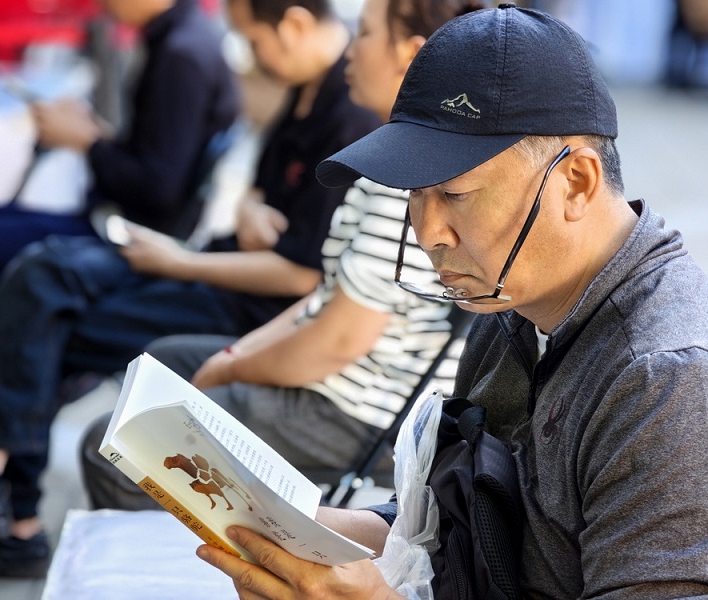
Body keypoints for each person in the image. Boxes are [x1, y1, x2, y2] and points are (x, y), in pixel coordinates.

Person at [194, 5, 708, 598]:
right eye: (415, 194)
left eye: (456, 194)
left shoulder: (666, 380)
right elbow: (458, 526)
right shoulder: (510, 306)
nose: (429, 232)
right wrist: (300, 531)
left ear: (576, 183)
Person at [0, 0, 381, 580]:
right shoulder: (305, 90)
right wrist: (247, 210)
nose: (249, 59)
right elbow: (264, 201)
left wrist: (181, 261)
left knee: (38, 296)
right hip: (209, 263)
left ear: (295, 26)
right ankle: (0, 504)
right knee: (35, 287)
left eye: (253, 42)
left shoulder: (343, 113)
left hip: (232, 294)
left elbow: (301, 272)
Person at [79, 0, 482, 512]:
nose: (348, 48)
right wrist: (233, 359)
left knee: (111, 449)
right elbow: (326, 294)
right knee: (164, 362)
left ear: (410, 54)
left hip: (355, 412)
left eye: (363, 34)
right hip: (337, 382)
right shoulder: (390, 154)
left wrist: (232, 368)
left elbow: (338, 340)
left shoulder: (410, 175)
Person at [0, 0, 241, 353]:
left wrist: (87, 141)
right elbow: (156, 159)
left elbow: (157, 189)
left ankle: (33, 363)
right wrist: (91, 133)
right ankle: (28, 356)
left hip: (124, 238)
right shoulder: (183, 38)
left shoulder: (182, 54)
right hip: (115, 223)